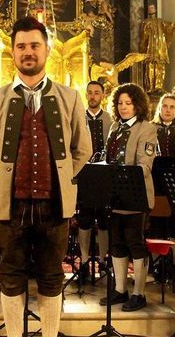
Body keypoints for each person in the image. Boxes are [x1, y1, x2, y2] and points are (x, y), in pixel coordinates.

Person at [0, 17, 92, 337]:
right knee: (10, 274)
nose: (28, 52)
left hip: (53, 204)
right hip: (10, 205)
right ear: (12, 52)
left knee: (51, 275)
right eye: (21, 46)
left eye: (34, 46)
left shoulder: (69, 97)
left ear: (47, 49)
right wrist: (4, 177)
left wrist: (63, 178)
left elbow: (83, 149)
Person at [97, 83, 157, 312]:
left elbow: (145, 164)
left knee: (135, 243)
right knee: (117, 243)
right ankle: (120, 290)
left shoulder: (147, 128)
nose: (123, 107)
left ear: (138, 105)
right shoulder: (114, 127)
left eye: (128, 103)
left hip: (135, 193)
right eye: (120, 103)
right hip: (114, 195)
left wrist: (122, 176)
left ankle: (139, 293)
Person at [147, 93, 175, 274]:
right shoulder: (150, 127)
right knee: (156, 222)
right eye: (164, 106)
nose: (168, 110)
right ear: (159, 108)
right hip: (156, 181)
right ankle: (157, 264)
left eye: (172, 107)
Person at [77, 80, 113, 279]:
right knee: (85, 218)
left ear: (102, 96)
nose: (92, 96)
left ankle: (102, 259)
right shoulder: (79, 118)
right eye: (89, 92)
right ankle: (83, 260)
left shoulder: (110, 119)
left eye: (96, 93)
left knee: (104, 220)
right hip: (83, 175)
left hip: (104, 176)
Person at [139, 4, 175, 93]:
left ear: (155, 9)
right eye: (149, 8)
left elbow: (168, 26)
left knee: (160, 66)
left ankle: (158, 86)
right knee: (150, 67)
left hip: (160, 47)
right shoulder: (146, 22)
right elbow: (143, 36)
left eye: (152, 8)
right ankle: (150, 87)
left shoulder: (160, 21)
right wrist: (142, 46)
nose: (151, 10)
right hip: (150, 48)